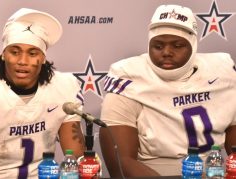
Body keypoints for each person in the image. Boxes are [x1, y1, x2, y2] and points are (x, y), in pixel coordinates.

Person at [99, 4, 236, 177]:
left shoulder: (222, 71)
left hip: (211, 172)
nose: (166, 52)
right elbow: (121, 162)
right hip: (154, 173)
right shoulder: (127, 76)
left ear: (193, 45)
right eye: (158, 46)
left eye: (177, 45)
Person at [0, 8, 86, 179]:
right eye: (15, 52)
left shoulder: (65, 87)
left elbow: (75, 159)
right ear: (4, 54)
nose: (22, 61)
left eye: (32, 53)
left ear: (43, 58)